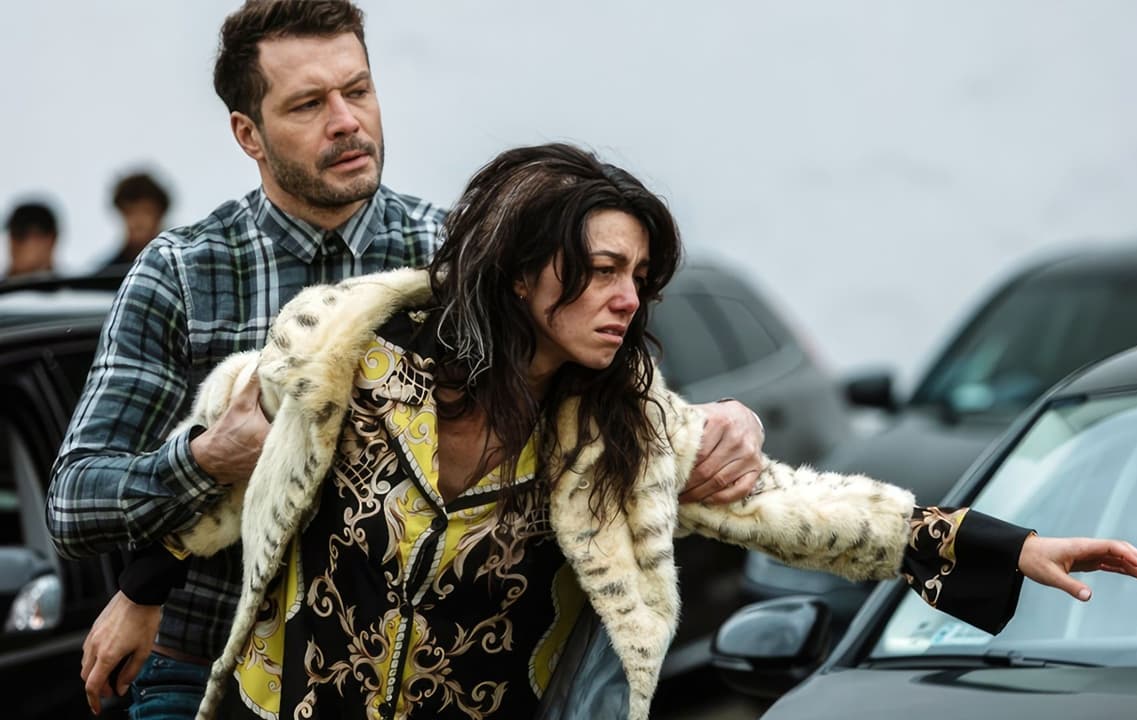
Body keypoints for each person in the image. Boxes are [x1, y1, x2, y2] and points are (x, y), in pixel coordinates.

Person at [150, 142, 1137, 720]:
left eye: (637, 275)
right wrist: (137, 595)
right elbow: (219, 471)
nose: (627, 297)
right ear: (519, 270)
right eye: (600, 270)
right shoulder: (344, 362)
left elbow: (791, 506)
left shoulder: (619, 434)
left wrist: (1001, 545)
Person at [47, 2, 764, 718]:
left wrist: (725, 421)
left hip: (416, 680)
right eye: (308, 104)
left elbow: (592, 402)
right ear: (248, 133)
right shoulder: (181, 273)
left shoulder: (459, 257)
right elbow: (75, 501)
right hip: (207, 661)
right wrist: (206, 461)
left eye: (357, 90)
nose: (346, 121)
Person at [97, 171, 172, 278]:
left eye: (146, 211)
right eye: (130, 212)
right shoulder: (104, 277)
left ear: (160, 215)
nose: (138, 221)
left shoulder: (182, 271)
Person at [4, 201, 59, 280]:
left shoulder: (69, 286)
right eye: (13, 234)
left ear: (51, 240)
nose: (15, 242)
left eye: (22, 235)